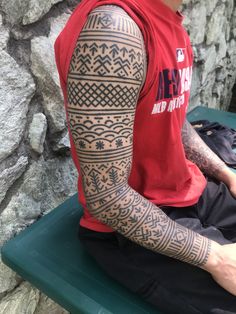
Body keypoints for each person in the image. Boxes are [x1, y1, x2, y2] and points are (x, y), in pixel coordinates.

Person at [54, 0, 236, 312]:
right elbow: (107, 196)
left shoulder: (169, 17)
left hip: (190, 189)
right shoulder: (113, 31)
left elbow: (173, 122)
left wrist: (227, 175)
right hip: (132, 226)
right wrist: (217, 258)